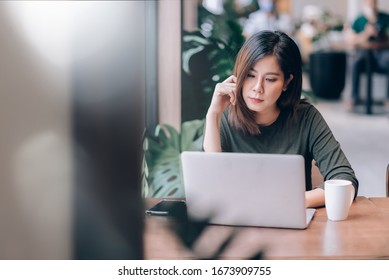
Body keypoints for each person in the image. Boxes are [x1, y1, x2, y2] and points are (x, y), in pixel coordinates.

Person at [203, 30, 358, 208]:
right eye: (250, 75)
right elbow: (212, 184)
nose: (257, 88)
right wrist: (213, 114)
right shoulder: (225, 117)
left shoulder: (306, 118)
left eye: (270, 79)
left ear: (286, 82)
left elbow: (345, 180)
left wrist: (292, 201)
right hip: (237, 229)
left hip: (293, 224)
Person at [348, 0, 389, 109]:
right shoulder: (359, 20)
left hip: (381, 53)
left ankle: (388, 99)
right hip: (363, 54)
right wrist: (366, 33)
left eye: (373, 1)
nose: (371, 4)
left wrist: (381, 37)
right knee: (354, 62)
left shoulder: (385, 18)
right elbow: (352, 41)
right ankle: (353, 98)